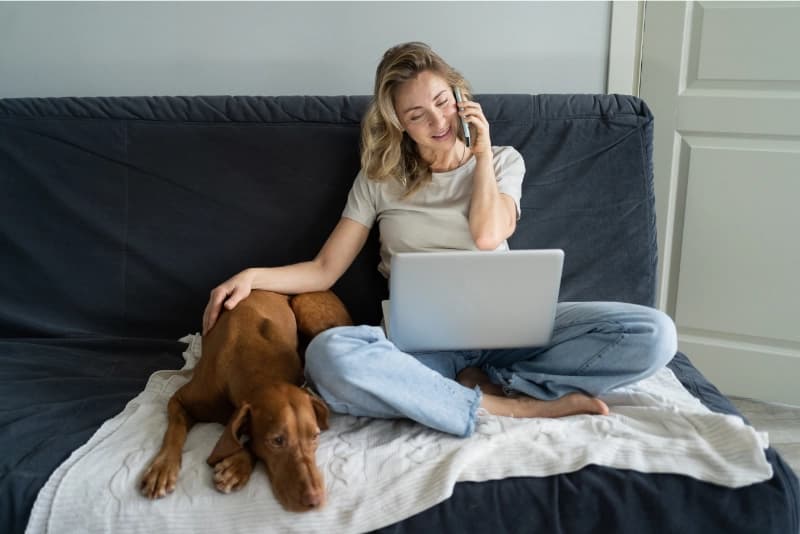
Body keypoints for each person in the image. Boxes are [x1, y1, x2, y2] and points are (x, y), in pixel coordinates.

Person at [202, 42, 677, 438]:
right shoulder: (378, 179)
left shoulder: (506, 161)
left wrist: (483, 154)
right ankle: (507, 407)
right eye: (417, 115)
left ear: (459, 94)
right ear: (400, 126)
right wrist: (251, 275)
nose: (438, 122)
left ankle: (504, 382)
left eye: (443, 102)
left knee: (655, 334)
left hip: (512, 332)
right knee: (330, 357)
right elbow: (325, 269)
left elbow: (488, 234)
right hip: (426, 346)